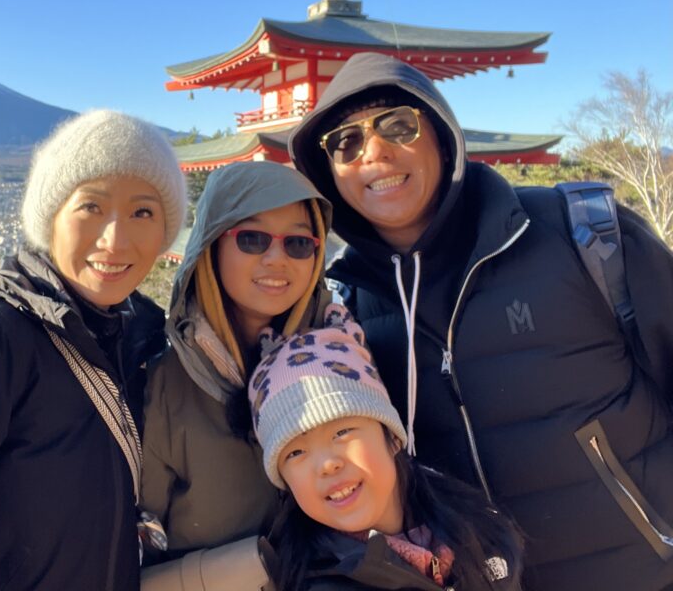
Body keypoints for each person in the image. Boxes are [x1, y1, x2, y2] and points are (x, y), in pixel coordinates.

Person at [287, 52, 673, 590]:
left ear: (443, 137)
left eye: (398, 125)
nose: (373, 151)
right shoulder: (350, 312)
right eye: (345, 142)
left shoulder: (579, 235)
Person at [0, 109, 186, 591]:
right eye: (90, 207)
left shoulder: (140, 333)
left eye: (143, 211)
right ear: (49, 217)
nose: (114, 239)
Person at [140, 160, 332, 588]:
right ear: (210, 245)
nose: (276, 258)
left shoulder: (339, 359)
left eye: (299, 243)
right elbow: (132, 553)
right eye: (252, 237)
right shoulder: (162, 387)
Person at [249, 320, 522, 591]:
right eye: (295, 452)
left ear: (392, 437)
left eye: (341, 432)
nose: (327, 464)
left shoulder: (478, 528)